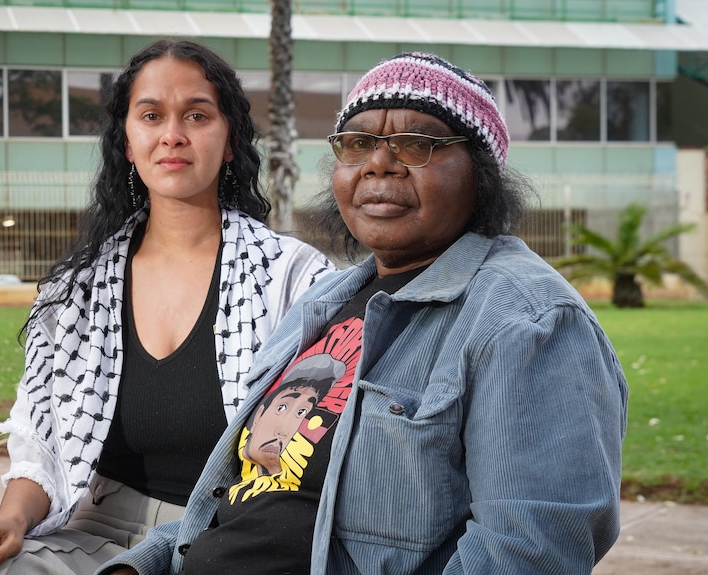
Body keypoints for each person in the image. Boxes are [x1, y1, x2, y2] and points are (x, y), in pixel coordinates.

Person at [96, 51, 628, 575]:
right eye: (358, 143)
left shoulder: (529, 322)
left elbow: (526, 555)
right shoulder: (324, 303)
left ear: (480, 173)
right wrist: (141, 564)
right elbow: (249, 498)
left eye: (417, 143)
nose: (379, 162)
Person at [0, 39, 334, 575]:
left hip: (232, 534)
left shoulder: (295, 277)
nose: (173, 134)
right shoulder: (76, 287)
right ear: (127, 141)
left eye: (196, 114)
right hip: (97, 528)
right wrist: (11, 521)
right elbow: (42, 441)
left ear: (230, 139)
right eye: (151, 115)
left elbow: (309, 449)